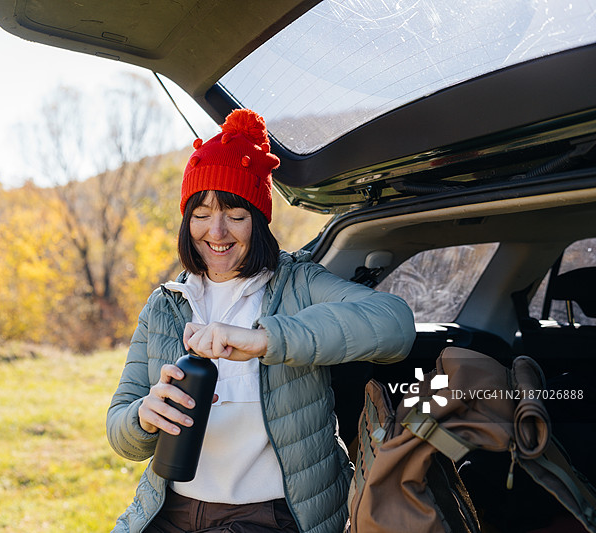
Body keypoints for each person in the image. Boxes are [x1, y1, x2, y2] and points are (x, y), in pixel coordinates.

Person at [106, 109, 416, 533]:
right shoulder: (165, 305)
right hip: (168, 510)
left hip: (267, 515)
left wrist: (266, 340)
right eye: (201, 214)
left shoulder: (297, 284)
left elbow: (394, 324)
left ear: (259, 217)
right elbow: (120, 431)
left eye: (235, 214)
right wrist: (145, 415)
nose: (216, 232)